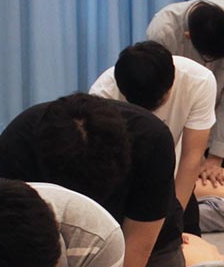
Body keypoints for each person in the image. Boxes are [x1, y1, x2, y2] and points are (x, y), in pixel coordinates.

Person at [0, 94, 193, 267]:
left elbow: (139, 243)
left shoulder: (150, 139)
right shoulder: (17, 144)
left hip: (144, 243)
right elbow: (24, 242)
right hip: (54, 243)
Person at [91, 41, 217, 211]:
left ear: (171, 84)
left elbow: (192, 156)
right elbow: (103, 166)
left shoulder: (199, 81)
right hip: (123, 183)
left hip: (172, 180)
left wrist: (175, 214)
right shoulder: (102, 95)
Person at [145, 0, 224, 181]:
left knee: (220, 186)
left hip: (219, 118)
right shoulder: (164, 33)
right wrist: (190, 156)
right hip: (179, 119)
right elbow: (164, 99)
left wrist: (216, 157)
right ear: (188, 36)